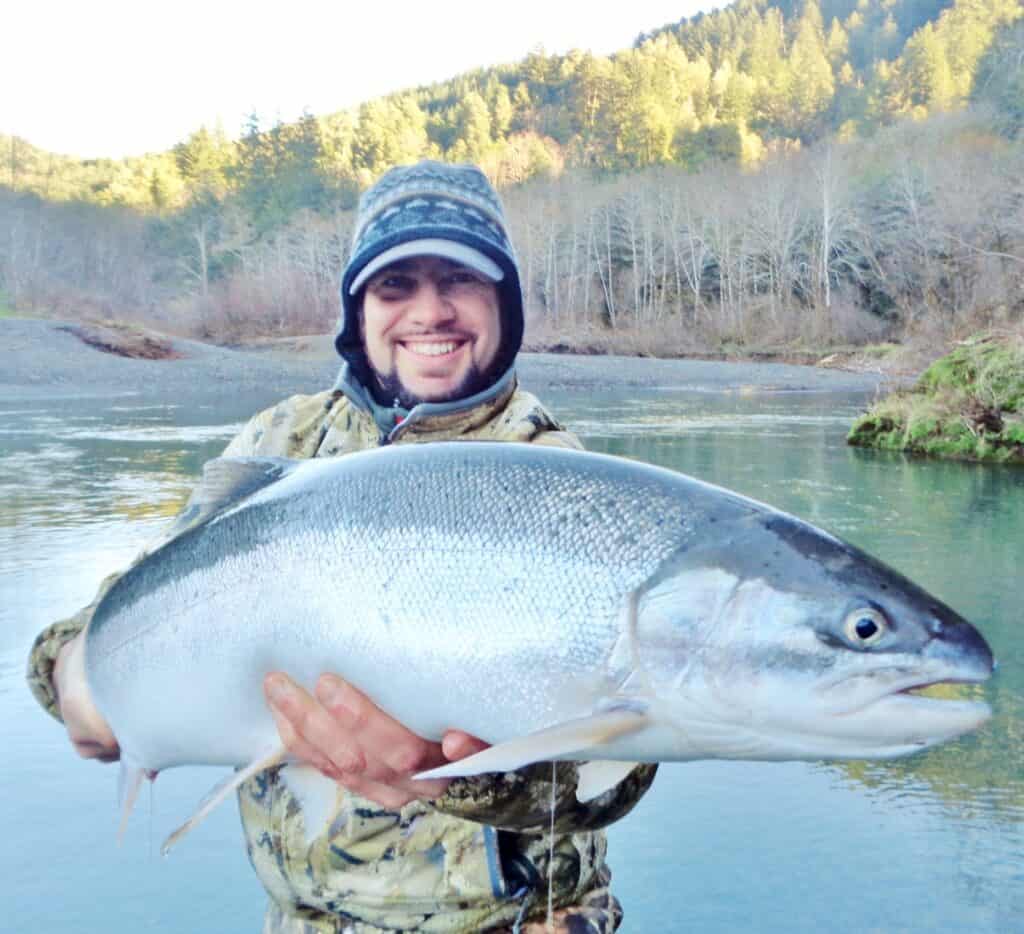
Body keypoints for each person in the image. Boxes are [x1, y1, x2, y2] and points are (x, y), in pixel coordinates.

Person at [27, 160, 657, 933]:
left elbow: (616, 777)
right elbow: (141, 603)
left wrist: (446, 777)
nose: (431, 311)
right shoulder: (280, 442)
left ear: (504, 304)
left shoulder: (562, 477)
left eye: (460, 278)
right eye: (397, 286)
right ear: (359, 310)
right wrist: (67, 676)